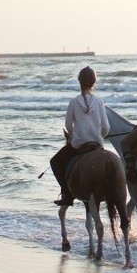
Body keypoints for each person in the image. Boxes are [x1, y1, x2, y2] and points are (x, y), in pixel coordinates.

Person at [50, 66, 110, 206]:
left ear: (79, 82)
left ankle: (67, 195)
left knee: (55, 162)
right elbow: (106, 127)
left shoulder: (74, 101)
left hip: (78, 144)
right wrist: (99, 138)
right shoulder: (99, 102)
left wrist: (71, 137)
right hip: (97, 144)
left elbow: (67, 124)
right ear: (94, 82)